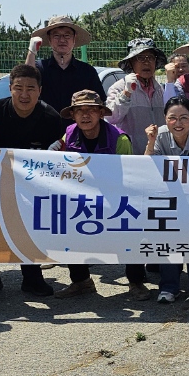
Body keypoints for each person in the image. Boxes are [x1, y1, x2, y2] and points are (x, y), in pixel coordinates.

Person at [0, 64, 68, 297]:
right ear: (10, 89)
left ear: (40, 90)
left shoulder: (51, 117)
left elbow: (60, 155)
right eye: (18, 88)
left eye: (31, 88)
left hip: (32, 185)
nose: (24, 94)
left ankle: (32, 277)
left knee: (31, 227)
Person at [48, 90, 138, 300]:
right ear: (73, 115)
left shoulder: (120, 138)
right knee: (68, 227)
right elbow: (55, 157)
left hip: (115, 198)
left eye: (91, 110)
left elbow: (130, 176)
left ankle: (136, 282)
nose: (85, 115)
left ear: (101, 113)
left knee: (130, 231)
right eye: (79, 111)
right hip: (81, 199)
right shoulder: (68, 134)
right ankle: (81, 282)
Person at [144, 96, 189, 305]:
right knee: (169, 242)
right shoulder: (159, 136)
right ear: (165, 119)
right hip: (168, 198)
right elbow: (148, 168)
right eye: (172, 118)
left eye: (184, 117)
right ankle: (169, 287)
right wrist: (150, 142)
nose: (178, 123)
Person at [24, 15, 105, 115]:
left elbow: (100, 105)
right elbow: (25, 83)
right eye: (56, 36)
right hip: (44, 127)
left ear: (74, 39)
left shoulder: (87, 71)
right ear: (49, 39)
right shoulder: (39, 68)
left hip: (78, 129)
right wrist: (31, 52)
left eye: (67, 35)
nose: (62, 40)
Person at [105, 37, 168, 155]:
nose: (146, 62)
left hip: (158, 155)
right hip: (132, 156)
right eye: (140, 58)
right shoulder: (119, 87)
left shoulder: (160, 89)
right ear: (131, 62)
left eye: (150, 57)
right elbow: (110, 118)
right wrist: (126, 93)